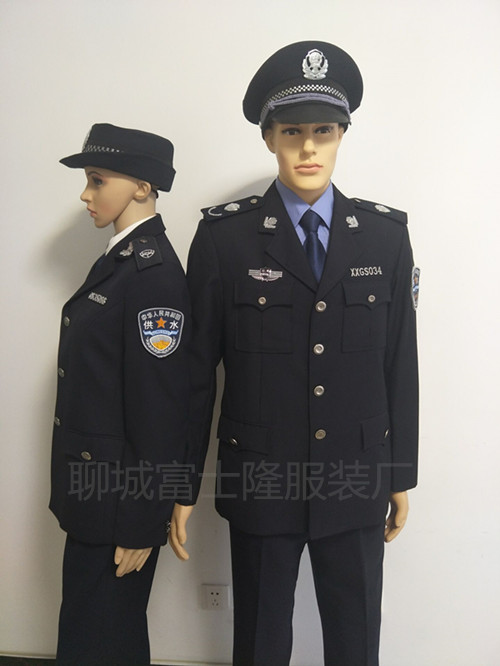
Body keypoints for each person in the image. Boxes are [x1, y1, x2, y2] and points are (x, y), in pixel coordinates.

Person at [170, 41, 419, 665]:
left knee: (356, 643)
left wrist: (399, 475)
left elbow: (400, 364)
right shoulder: (224, 240)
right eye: (291, 132)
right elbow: (194, 375)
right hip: (262, 481)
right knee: (259, 646)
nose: (309, 148)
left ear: (342, 136)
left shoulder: (385, 238)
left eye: (324, 131)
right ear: (268, 138)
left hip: (355, 476)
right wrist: (180, 481)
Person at [50, 123, 190, 665]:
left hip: (117, 505)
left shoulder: (153, 275)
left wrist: (140, 523)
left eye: (97, 179)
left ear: (142, 186)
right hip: (97, 495)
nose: (86, 195)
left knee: (103, 638)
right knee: (95, 634)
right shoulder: (121, 259)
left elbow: (161, 411)